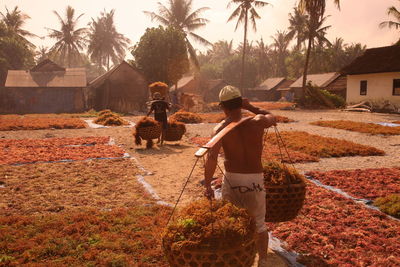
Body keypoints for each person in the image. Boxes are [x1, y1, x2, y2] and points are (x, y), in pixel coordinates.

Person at [203, 85, 276, 267]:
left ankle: (237, 259)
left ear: (223, 107)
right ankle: (264, 261)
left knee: (232, 220)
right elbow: (272, 118)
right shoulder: (257, 121)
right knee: (259, 223)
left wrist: (207, 185)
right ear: (240, 103)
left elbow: (211, 158)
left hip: (233, 179)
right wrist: (250, 107)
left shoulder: (220, 128)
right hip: (255, 179)